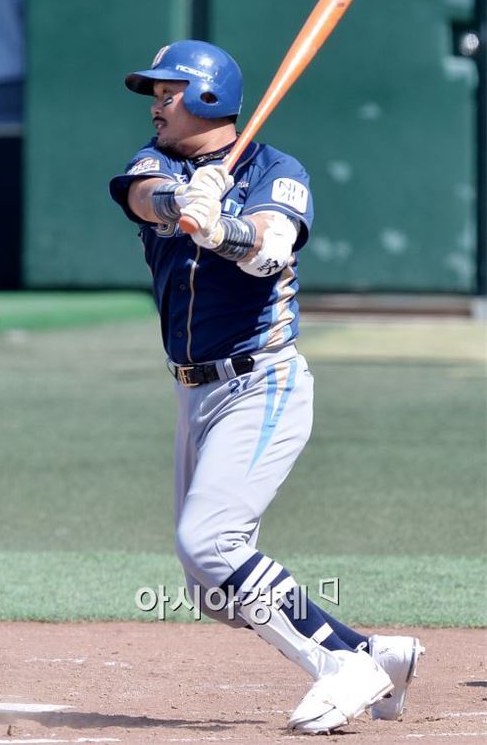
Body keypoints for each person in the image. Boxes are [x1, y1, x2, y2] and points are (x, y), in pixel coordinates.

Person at [109, 40, 424, 734]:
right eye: (154, 92)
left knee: (209, 541)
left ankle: (342, 670)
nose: (156, 102)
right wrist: (180, 200)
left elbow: (271, 247)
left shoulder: (280, 171)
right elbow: (141, 196)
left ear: (210, 96)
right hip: (194, 395)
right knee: (211, 587)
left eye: (170, 90)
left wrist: (222, 225)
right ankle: (375, 653)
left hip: (261, 384)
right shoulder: (155, 162)